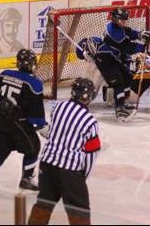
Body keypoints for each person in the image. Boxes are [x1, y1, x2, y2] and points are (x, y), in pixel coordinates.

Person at [28, 78, 100, 225]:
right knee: (79, 211)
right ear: (90, 97)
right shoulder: (90, 121)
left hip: (47, 165)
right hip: (70, 171)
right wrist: (81, 177)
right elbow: (91, 154)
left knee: (44, 203)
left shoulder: (58, 107)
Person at [0, 49, 48, 195]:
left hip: (2, 120)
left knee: (1, 150)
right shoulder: (34, 84)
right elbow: (35, 113)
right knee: (33, 148)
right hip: (20, 123)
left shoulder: (5, 74)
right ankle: (26, 180)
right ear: (33, 65)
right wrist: (42, 127)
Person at [96, 7, 150, 121]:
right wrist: (142, 45)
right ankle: (119, 108)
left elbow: (129, 32)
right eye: (121, 20)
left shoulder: (119, 27)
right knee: (119, 84)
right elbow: (126, 47)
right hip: (105, 60)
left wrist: (141, 34)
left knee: (128, 78)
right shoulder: (112, 31)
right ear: (115, 19)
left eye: (124, 20)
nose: (124, 22)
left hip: (115, 59)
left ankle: (123, 102)